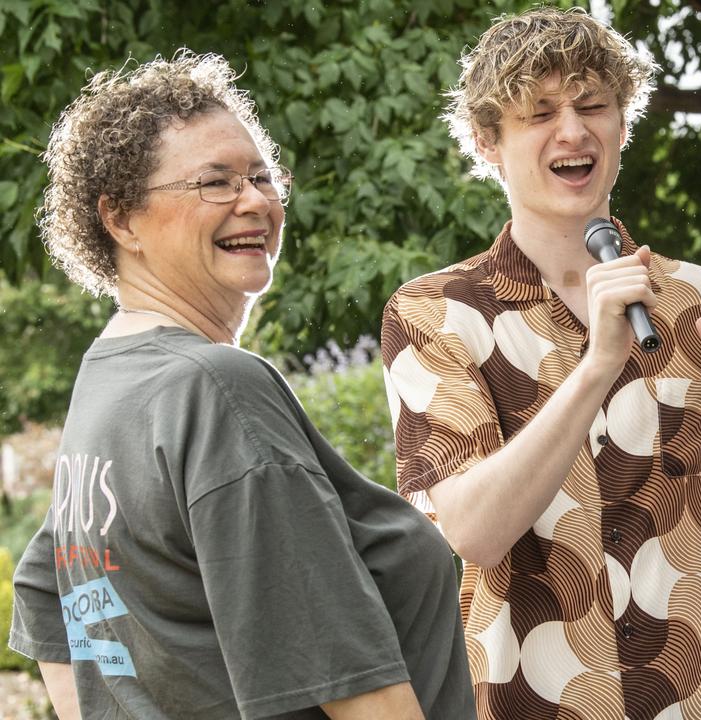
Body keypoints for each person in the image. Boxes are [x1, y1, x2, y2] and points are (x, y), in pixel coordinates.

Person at [7, 52, 476, 719]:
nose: (254, 201)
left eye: (261, 177)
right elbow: (356, 687)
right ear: (121, 220)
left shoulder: (108, 380)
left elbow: (47, 596)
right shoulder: (215, 389)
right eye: (215, 183)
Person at [380, 7, 701, 719]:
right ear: (488, 140)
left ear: (621, 124)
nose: (572, 130)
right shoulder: (434, 314)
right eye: (539, 112)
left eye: (593, 106)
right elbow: (475, 532)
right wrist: (597, 366)